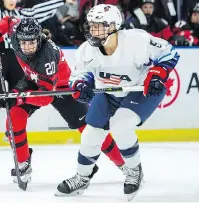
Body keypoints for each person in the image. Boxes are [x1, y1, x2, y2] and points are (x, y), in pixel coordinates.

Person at [55, 4, 179, 201]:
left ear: (114, 25)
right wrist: (81, 86)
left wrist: (157, 74)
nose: (92, 30)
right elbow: (79, 76)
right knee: (90, 133)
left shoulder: (136, 40)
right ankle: (82, 177)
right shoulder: (86, 50)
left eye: (99, 25)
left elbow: (170, 52)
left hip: (141, 90)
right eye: (91, 25)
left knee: (121, 125)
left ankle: (134, 172)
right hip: (110, 91)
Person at [0, 16, 127, 184]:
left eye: (32, 42)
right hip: (33, 80)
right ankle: (23, 162)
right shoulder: (18, 35)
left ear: (39, 39)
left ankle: (125, 164)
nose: (28, 47)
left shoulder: (47, 57)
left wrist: (17, 99)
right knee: (14, 117)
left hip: (62, 88)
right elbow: (9, 20)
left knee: (90, 129)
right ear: (17, 38)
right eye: (24, 43)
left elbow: (46, 97)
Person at [0, 0, 75, 148]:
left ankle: (11, 131)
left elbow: (43, 9)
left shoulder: (24, 15)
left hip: (19, 59)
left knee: (19, 96)